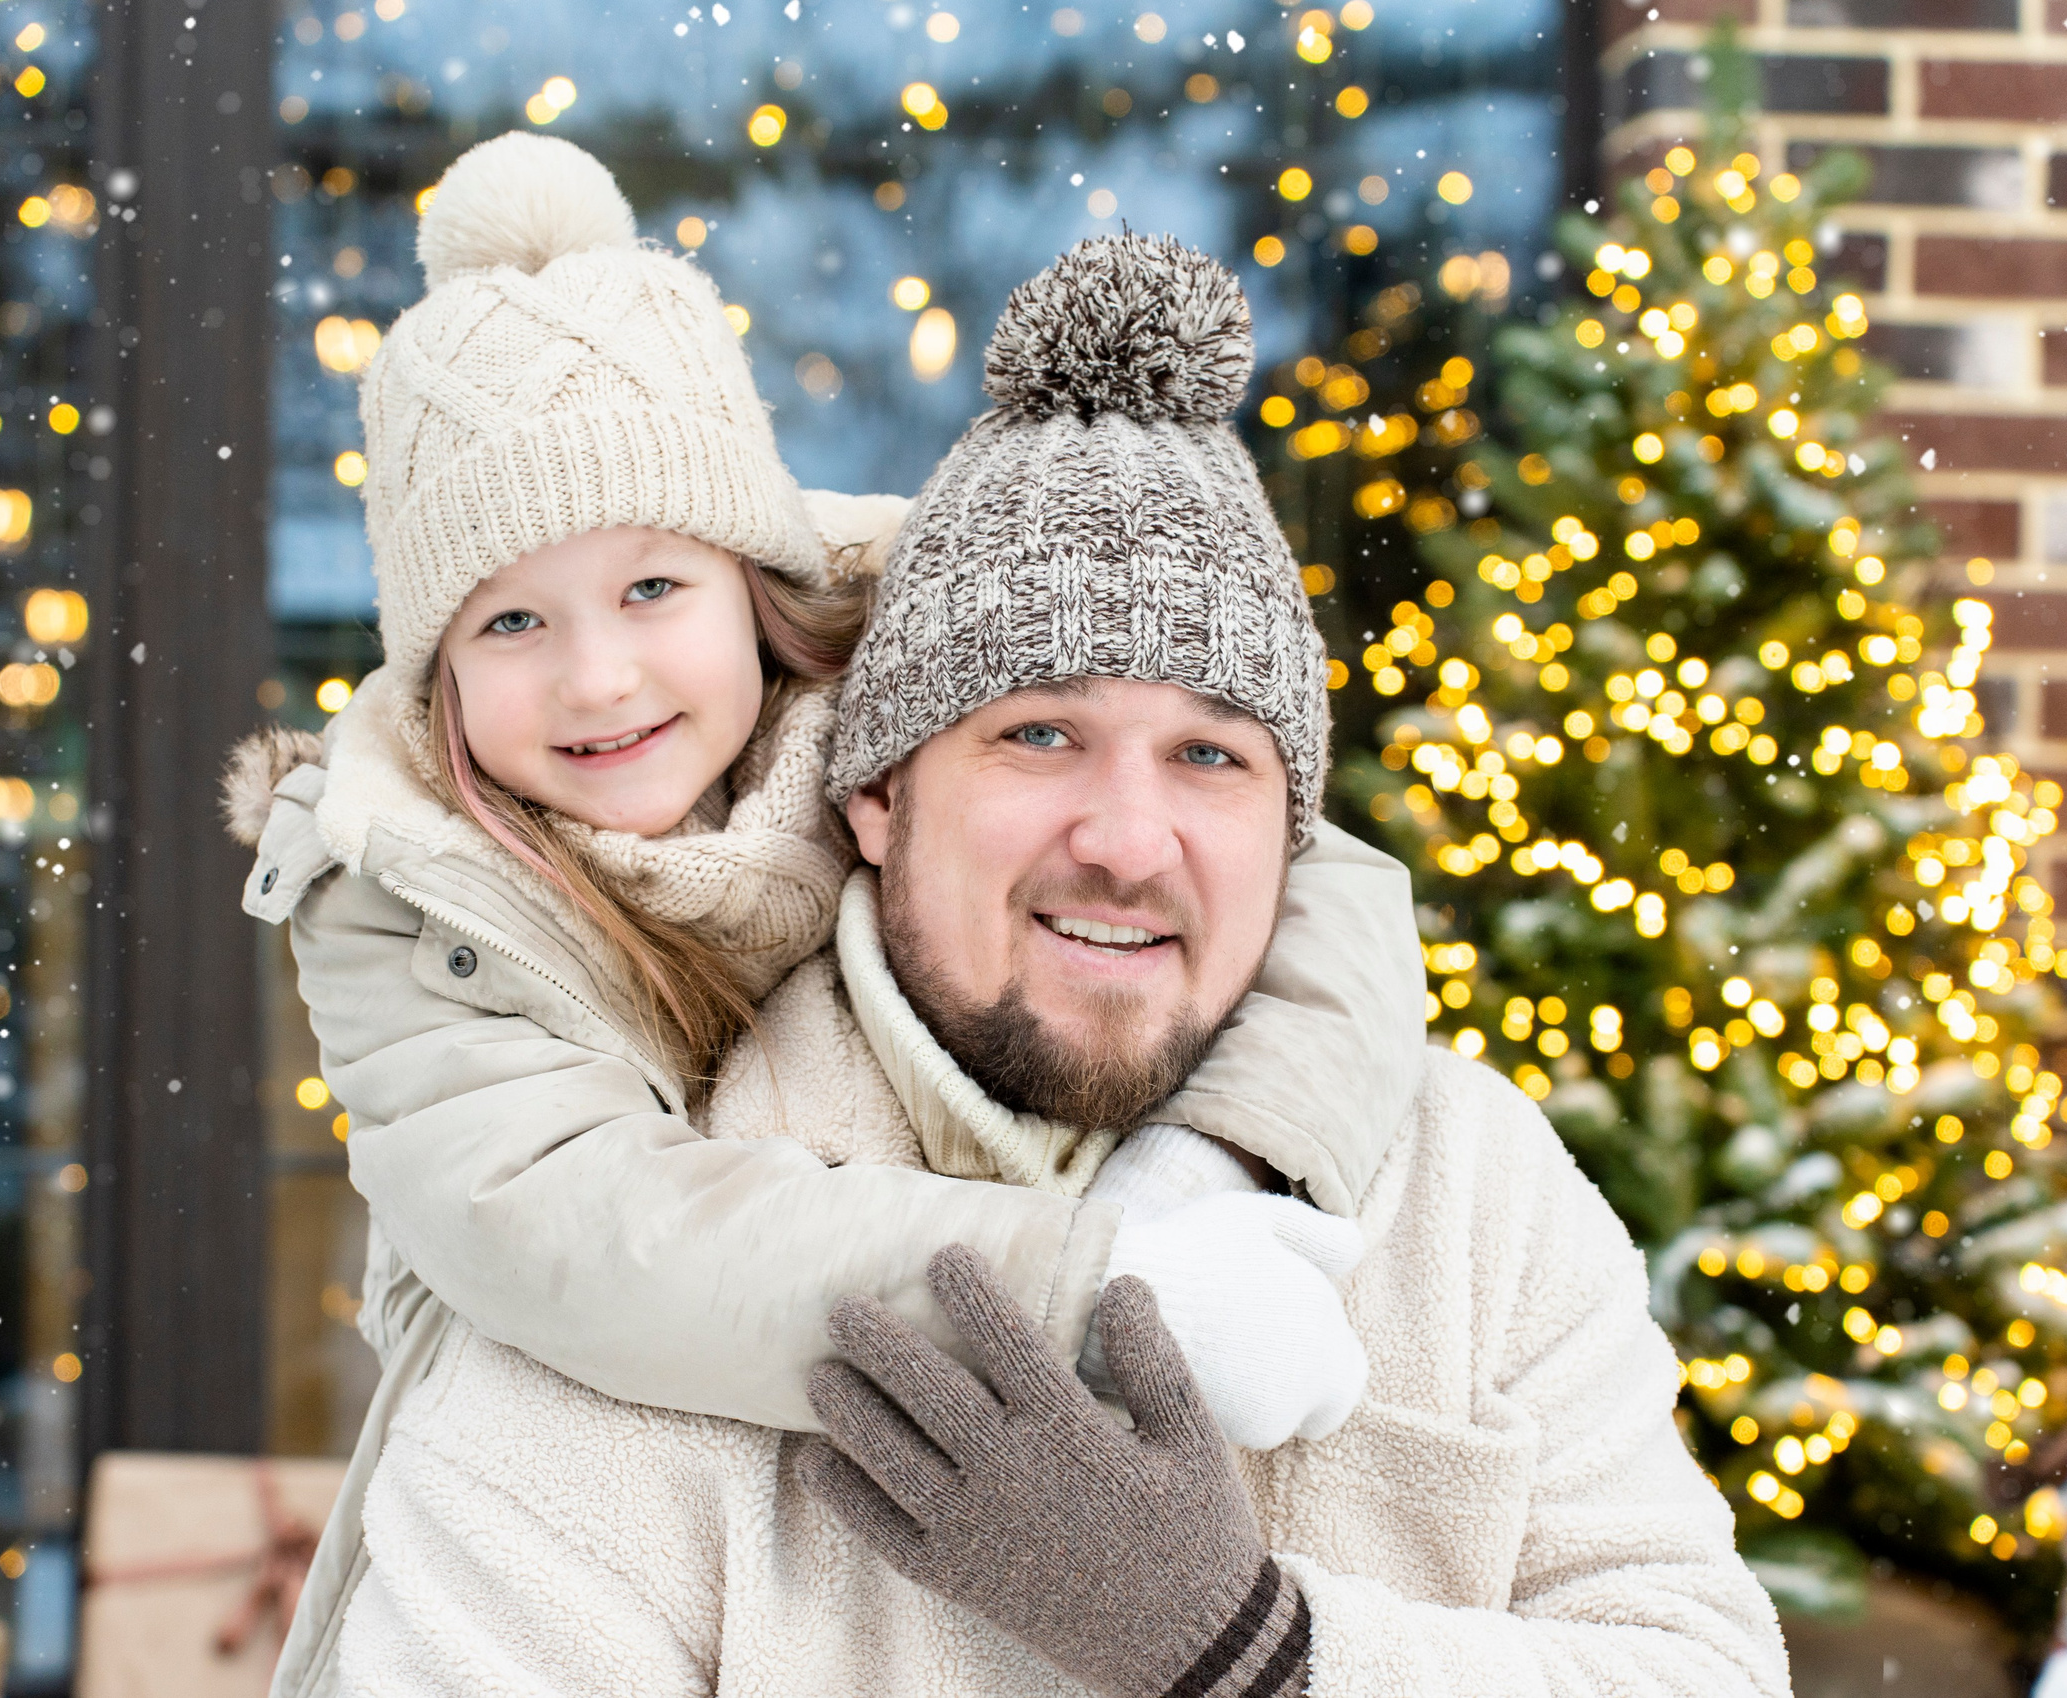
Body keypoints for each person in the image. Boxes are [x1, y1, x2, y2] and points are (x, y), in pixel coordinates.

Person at [330, 234, 1789, 1697]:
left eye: (1212, 757)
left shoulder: (1473, 1197)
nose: (1130, 840)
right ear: (877, 793)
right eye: (1040, 734)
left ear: (1293, 834)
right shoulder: (646, 1298)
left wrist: (1259, 1655)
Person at [225, 135, 1430, 1698]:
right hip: (584, 1447)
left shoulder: (913, 678)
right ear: (435, 672)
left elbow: (1316, 874)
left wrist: (1213, 1165)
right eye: (512, 620)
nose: (599, 677)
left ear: (755, 578)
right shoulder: (402, 896)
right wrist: (1105, 1284)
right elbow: (598, 1241)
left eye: (654, 586)